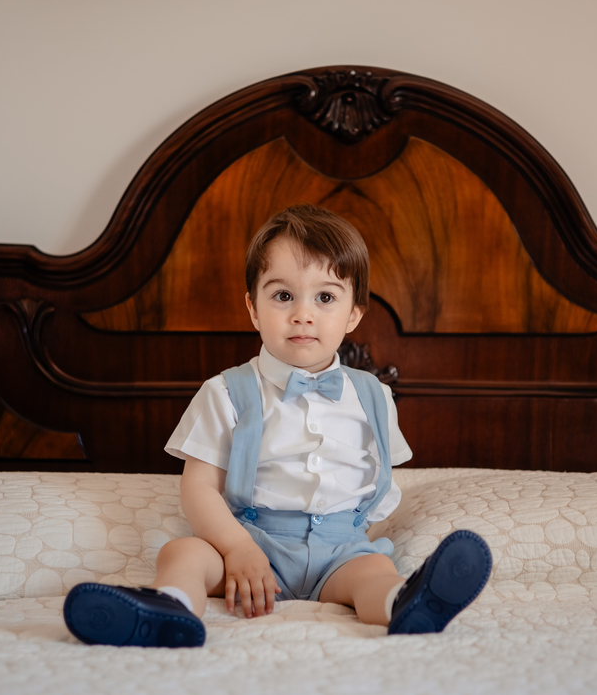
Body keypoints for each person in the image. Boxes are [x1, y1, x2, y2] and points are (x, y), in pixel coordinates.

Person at [64, 204, 491, 648]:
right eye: (283, 296)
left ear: (354, 314)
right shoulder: (226, 392)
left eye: (325, 298)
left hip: (341, 550)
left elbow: (377, 484)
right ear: (253, 308)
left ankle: (404, 604)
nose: (302, 314)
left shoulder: (374, 396)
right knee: (183, 552)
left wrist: (355, 534)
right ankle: (169, 606)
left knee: (375, 571)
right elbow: (198, 488)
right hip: (251, 545)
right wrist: (237, 548)